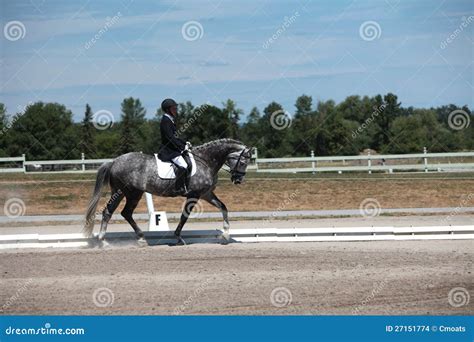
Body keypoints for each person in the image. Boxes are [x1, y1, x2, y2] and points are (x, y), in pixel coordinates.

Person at [158, 98, 192, 194]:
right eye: (174, 108)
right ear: (168, 109)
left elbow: (175, 137)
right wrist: (181, 147)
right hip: (168, 150)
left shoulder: (170, 120)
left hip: (172, 148)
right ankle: (179, 188)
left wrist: (184, 143)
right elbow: (170, 138)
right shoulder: (166, 121)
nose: (176, 110)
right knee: (183, 165)